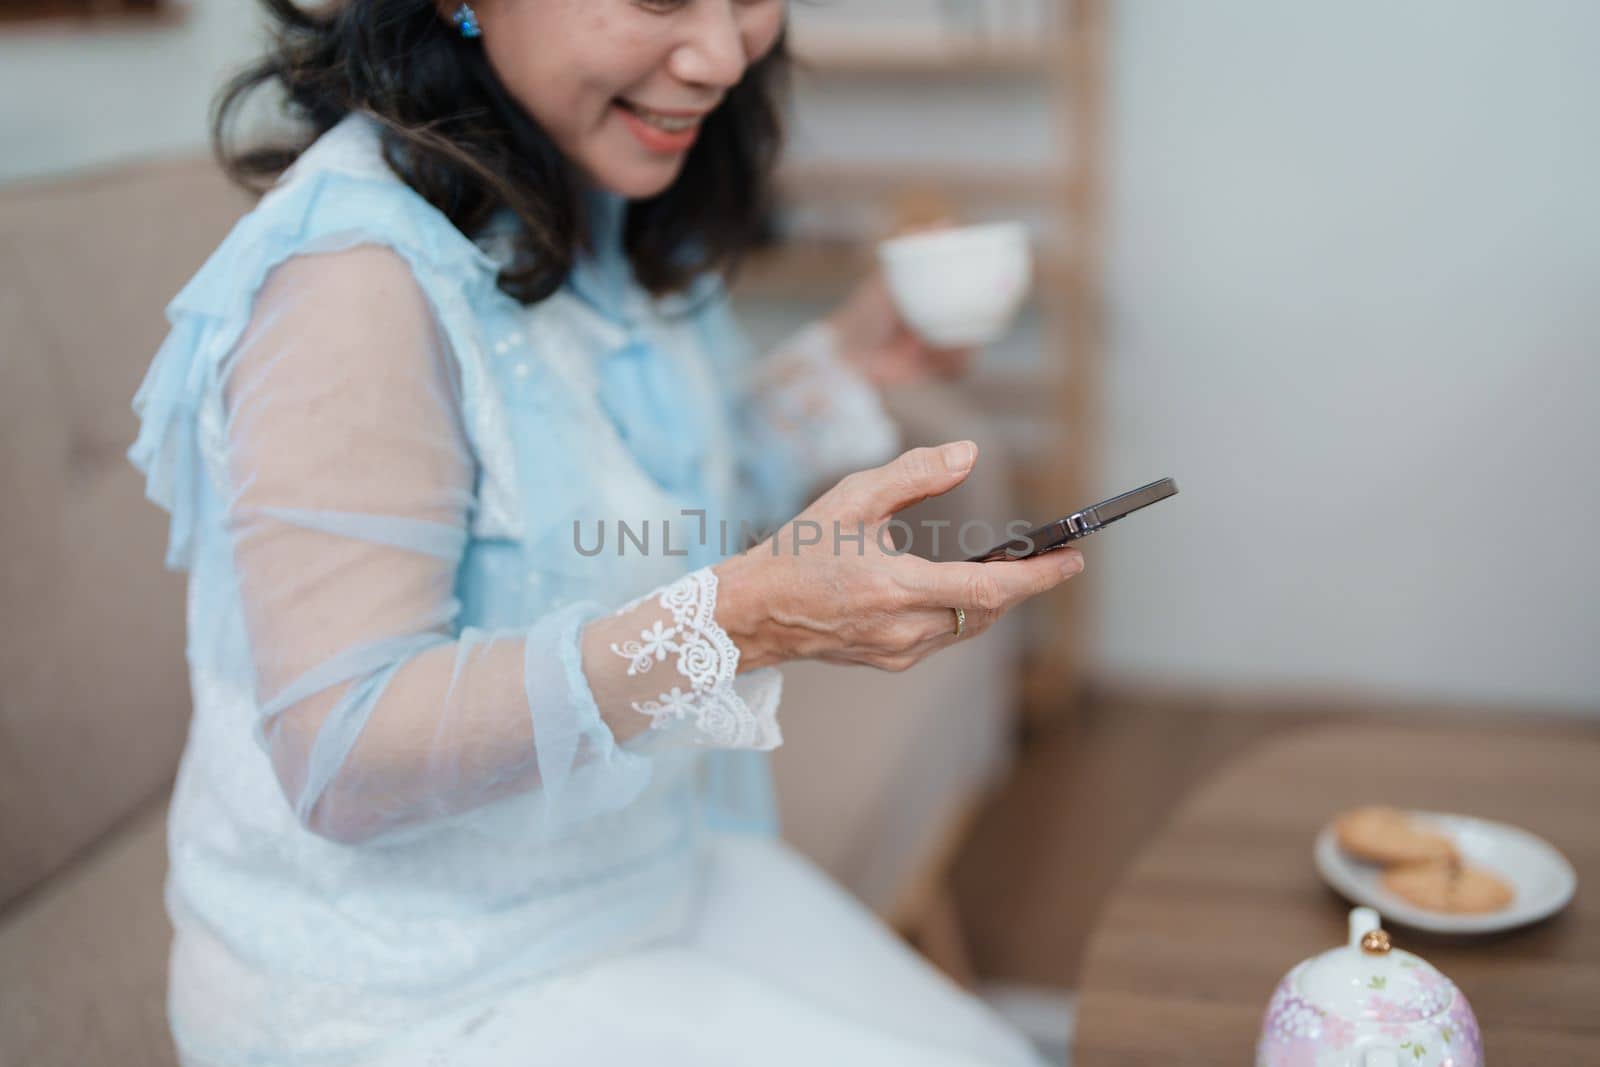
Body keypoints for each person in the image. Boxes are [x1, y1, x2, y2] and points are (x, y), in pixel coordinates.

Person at [126, 1, 1085, 1063]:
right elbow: (344, 751)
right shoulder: (352, 277)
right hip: (415, 990)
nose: (724, 55)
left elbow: (621, 511)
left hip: (639, 880)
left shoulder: (578, 190)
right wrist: (735, 627)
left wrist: (850, 361)